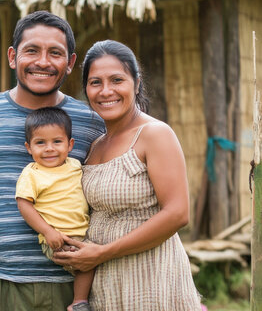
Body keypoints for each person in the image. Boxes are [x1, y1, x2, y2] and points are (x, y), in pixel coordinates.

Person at [0, 10, 105, 310]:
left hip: (73, 289)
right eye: (32, 51)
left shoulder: (91, 122)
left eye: (55, 53)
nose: (43, 62)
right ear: (13, 57)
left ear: (70, 63)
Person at [52, 40, 202, 310]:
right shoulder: (96, 145)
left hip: (150, 273)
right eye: (95, 82)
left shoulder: (154, 134)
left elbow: (178, 213)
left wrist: (103, 253)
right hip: (104, 280)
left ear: (136, 81)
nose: (106, 91)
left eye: (117, 80)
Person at [15, 107, 95, 311]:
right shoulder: (32, 173)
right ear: (28, 147)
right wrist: (48, 231)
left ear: (70, 145)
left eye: (57, 142)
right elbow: (24, 204)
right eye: (40, 143)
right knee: (86, 265)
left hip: (84, 233)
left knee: (94, 261)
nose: (49, 148)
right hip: (57, 238)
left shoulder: (76, 165)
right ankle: (79, 302)